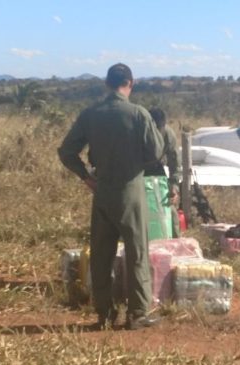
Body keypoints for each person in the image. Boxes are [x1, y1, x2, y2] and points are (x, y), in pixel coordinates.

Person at [58, 63, 164, 330]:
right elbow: (156, 152)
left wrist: (86, 176)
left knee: (102, 254)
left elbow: (66, 151)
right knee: (137, 251)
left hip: (102, 190)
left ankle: (104, 313)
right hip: (131, 190)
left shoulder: (91, 114)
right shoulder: (138, 114)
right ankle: (137, 313)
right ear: (131, 83)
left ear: (107, 83)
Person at [145, 108, 182, 237]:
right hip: (139, 172)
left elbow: (174, 162)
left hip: (157, 171)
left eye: (159, 128)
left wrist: (174, 186)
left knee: (169, 210)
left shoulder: (168, 134)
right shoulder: (136, 132)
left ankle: (175, 242)